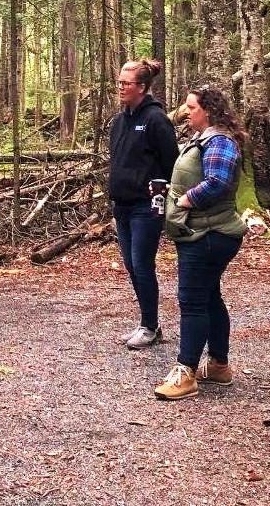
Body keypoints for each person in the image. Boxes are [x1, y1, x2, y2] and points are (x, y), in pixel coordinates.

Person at [154, 86, 247, 400]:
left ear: (208, 110)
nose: (186, 111)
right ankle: (219, 365)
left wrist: (184, 200)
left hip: (210, 234)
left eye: (192, 107)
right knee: (208, 297)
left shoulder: (219, 140)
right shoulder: (204, 138)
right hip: (203, 232)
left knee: (192, 300)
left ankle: (186, 372)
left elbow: (218, 182)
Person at [108, 58, 180, 349]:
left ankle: (150, 326)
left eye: (126, 83)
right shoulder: (119, 121)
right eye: (120, 82)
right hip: (122, 205)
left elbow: (171, 162)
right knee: (131, 264)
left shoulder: (156, 120)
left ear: (142, 87)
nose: (121, 88)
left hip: (146, 206)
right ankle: (147, 323)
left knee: (142, 264)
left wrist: (162, 195)